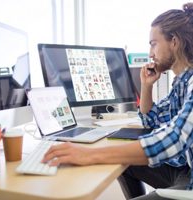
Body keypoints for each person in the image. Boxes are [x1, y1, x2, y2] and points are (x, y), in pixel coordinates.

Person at [42, 3, 193, 199]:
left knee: (119, 156)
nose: (150, 54)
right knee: (127, 162)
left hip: (189, 181)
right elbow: (150, 121)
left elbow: (175, 139)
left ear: (174, 41)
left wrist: (89, 155)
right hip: (183, 168)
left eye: (153, 43)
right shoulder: (182, 82)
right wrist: (146, 86)